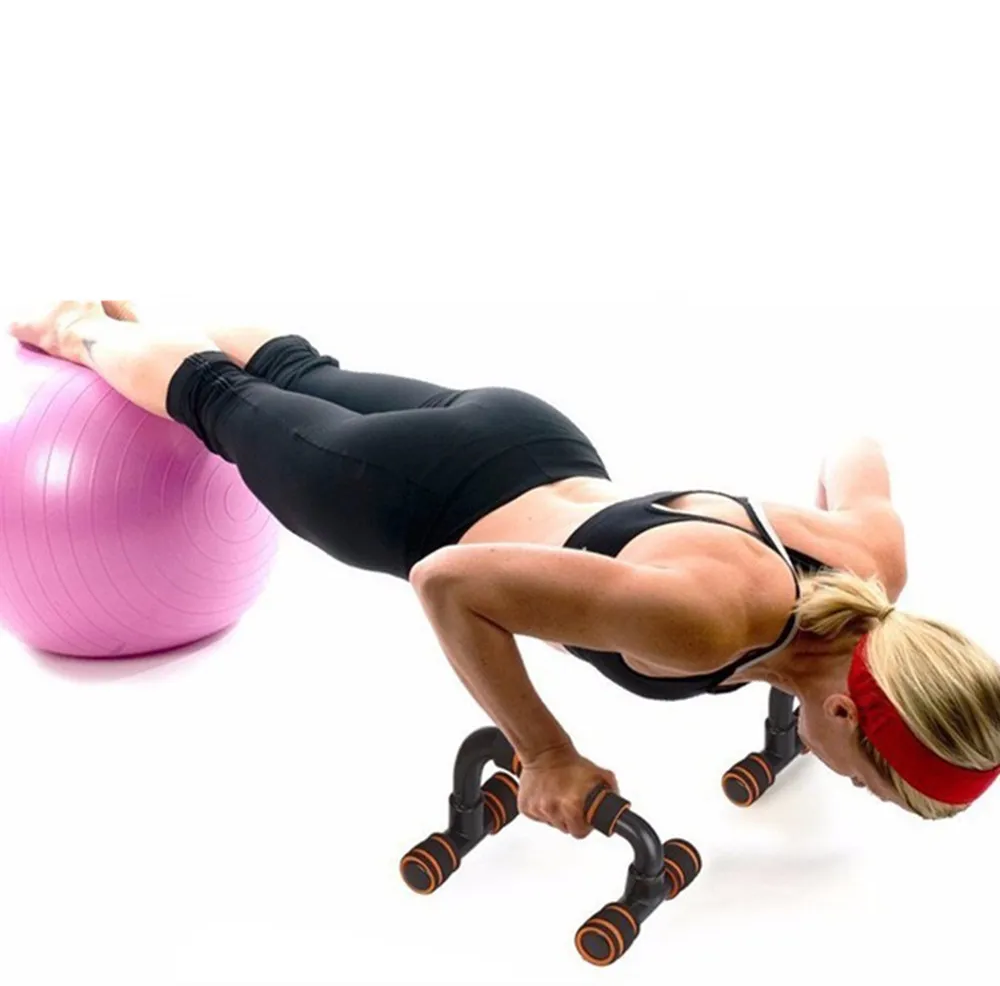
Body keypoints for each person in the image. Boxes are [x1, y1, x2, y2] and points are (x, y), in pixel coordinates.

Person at [9, 302, 1000, 836]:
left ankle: (152, 324)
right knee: (215, 400)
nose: (861, 794)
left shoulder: (870, 568)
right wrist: (548, 753)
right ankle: (81, 327)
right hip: (401, 499)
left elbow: (856, 446)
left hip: (529, 437)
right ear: (843, 713)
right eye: (873, 787)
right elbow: (449, 579)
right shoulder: (704, 624)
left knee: (300, 377)